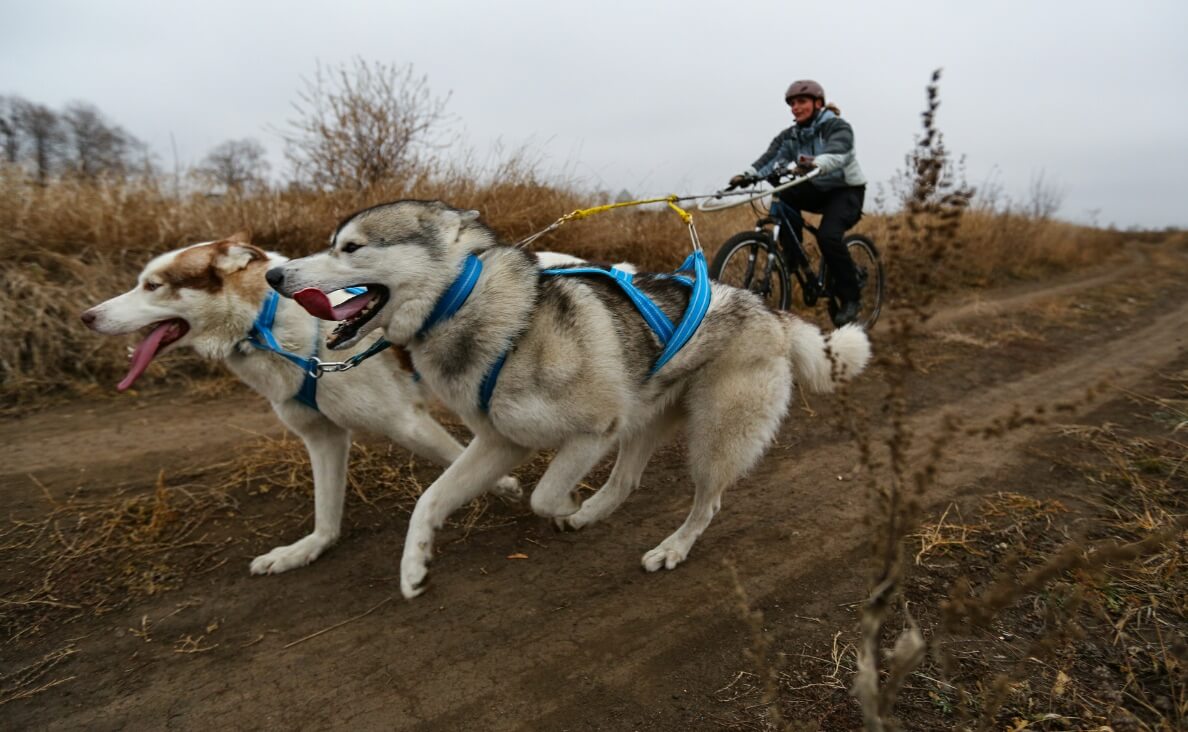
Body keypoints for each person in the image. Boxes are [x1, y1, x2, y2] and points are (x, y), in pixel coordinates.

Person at [729, 80, 867, 326]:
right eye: (792, 103)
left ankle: (851, 298)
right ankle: (792, 258)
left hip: (846, 191)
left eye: (801, 102)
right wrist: (747, 175)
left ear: (818, 103)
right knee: (783, 195)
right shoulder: (790, 136)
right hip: (817, 189)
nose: (795, 107)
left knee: (828, 237)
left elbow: (840, 150)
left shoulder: (836, 127)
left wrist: (818, 163)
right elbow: (771, 157)